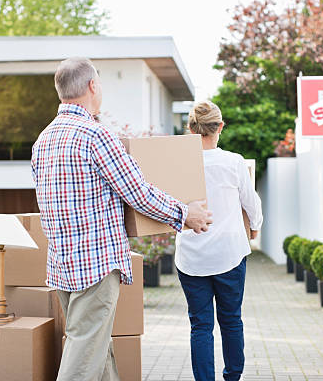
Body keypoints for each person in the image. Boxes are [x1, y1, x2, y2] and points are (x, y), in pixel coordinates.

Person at [31, 57, 213, 381]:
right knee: (83, 355)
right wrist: (186, 214)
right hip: (95, 265)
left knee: (95, 351)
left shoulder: (42, 141)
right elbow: (138, 193)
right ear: (92, 86)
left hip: (63, 265)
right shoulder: (95, 135)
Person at [175, 101, 263, 381]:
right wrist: (255, 227)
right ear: (220, 127)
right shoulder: (233, 162)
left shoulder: (178, 164)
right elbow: (252, 204)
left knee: (200, 326)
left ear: (190, 128)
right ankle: (233, 376)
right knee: (231, 320)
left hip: (191, 258)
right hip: (229, 254)